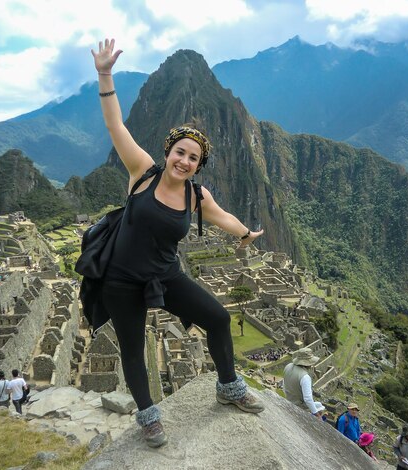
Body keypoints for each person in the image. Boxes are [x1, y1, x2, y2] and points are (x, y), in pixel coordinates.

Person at [90, 38, 265, 448]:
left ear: (198, 166)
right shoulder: (142, 172)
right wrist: (104, 74)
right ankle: (149, 418)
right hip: (121, 280)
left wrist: (245, 235)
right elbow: (116, 125)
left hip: (166, 277)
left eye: (193, 159)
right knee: (133, 350)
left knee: (218, 318)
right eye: (180, 152)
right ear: (168, 151)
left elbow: (223, 219)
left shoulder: (196, 196)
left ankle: (229, 386)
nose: (184, 161)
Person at [282, 348, 323, 417]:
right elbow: (308, 399)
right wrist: (317, 414)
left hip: (289, 400)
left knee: (319, 404)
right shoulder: (305, 377)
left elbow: (284, 385)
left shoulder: (288, 367)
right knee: (320, 408)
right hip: (299, 406)